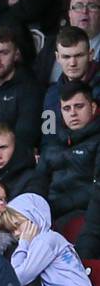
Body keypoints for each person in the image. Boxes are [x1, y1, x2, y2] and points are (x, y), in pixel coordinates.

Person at [0, 193, 96, 286]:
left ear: (34, 217)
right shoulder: (47, 238)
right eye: (11, 230)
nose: (15, 233)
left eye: (17, 225)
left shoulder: (46, 240)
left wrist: (24, 243)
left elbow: (17, 279)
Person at [34, 82, 100, 219]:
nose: (73, 113)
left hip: (86, 213)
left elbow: (95, 189)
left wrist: (55, 207)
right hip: (49, 216)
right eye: (66, 108)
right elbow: (37, 183)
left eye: (79, 106)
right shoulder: (53, 143)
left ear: (93, 108)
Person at [42, 27, 100, 146]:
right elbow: (48, 138)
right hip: (60, 160)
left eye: (78, 56)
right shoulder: (51, 95)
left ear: (90, 55)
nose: (72, 63)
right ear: (57, 58)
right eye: (66, 57)